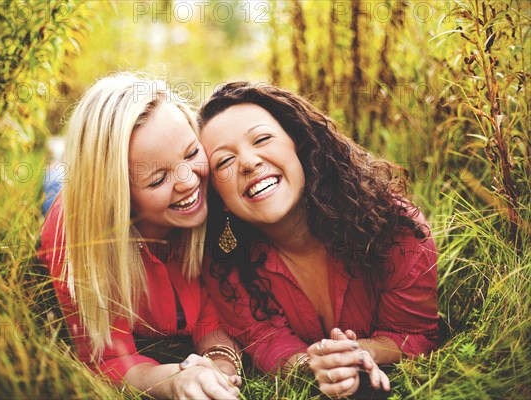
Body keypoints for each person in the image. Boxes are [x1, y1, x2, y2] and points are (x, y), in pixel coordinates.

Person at [197, 82, 439, 398]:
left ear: (300, 145)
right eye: (224, 161)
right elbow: (267, 340)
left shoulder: (396, 228)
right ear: (220, 198)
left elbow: (413, 333)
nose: (248, 162)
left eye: (262, 139)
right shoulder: (225, 263)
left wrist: (357, 353)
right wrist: (315, 364)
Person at [38, 73, 242, 399]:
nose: (189, 180)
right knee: (53, 186)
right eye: (158, 179)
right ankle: (56, 166)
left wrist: (221, 362)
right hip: (65, 204)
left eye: (190, 153)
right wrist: (174, 380)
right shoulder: (74, 240)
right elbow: (109, 359)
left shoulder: (213, 190)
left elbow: (211, 306)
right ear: (117, 196)